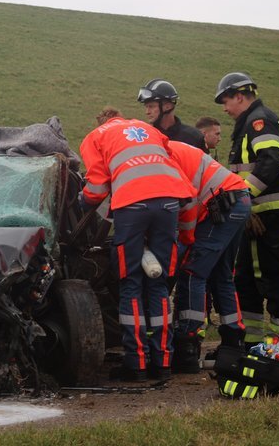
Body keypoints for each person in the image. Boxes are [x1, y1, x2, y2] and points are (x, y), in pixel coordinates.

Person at [79, 114, 196, 382]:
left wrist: (81, 202)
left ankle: (136, 363)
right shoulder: (147, 128)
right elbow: (171, 162)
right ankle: (163, 362)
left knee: (130, 282)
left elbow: (96, 187)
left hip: (132, 204)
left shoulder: (95, 136)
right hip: (169, 201)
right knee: (159, 281)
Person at [214, 72, 279, 344]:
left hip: (272, 212)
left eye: (226, 101)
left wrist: (243, 196)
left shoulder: (259, 121)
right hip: (255, 212)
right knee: (246, 278)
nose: (225, 109)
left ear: (240, 96)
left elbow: (270, 161)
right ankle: (251, 341)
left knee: (272, 275)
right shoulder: (249, 123)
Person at [169, 141, 251, 372]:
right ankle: (233, 342)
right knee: (221, 275)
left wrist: (184, 243)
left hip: (222, 205)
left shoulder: (162, 158)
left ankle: (187, 343)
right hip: (237, 198)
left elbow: (187, 209)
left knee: (193, 271)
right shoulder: (169, 149)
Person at [137, 78, 207, 152]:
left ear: (167, 106)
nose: (147, 112)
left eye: (151, 106)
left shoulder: (193, 137)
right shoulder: (146, 136)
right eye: (146, 107)